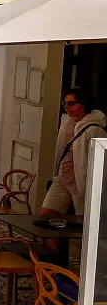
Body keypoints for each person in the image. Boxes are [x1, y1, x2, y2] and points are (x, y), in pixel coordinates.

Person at [41, 87, 106, 216]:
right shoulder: (67, 122)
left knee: (82, 225)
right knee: (45, 218)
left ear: (84, 104)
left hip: (80, 184)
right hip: (62, 179)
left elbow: (101, 163)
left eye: (71, 103)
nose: (66, 107)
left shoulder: (94, 130)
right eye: (64, 103)